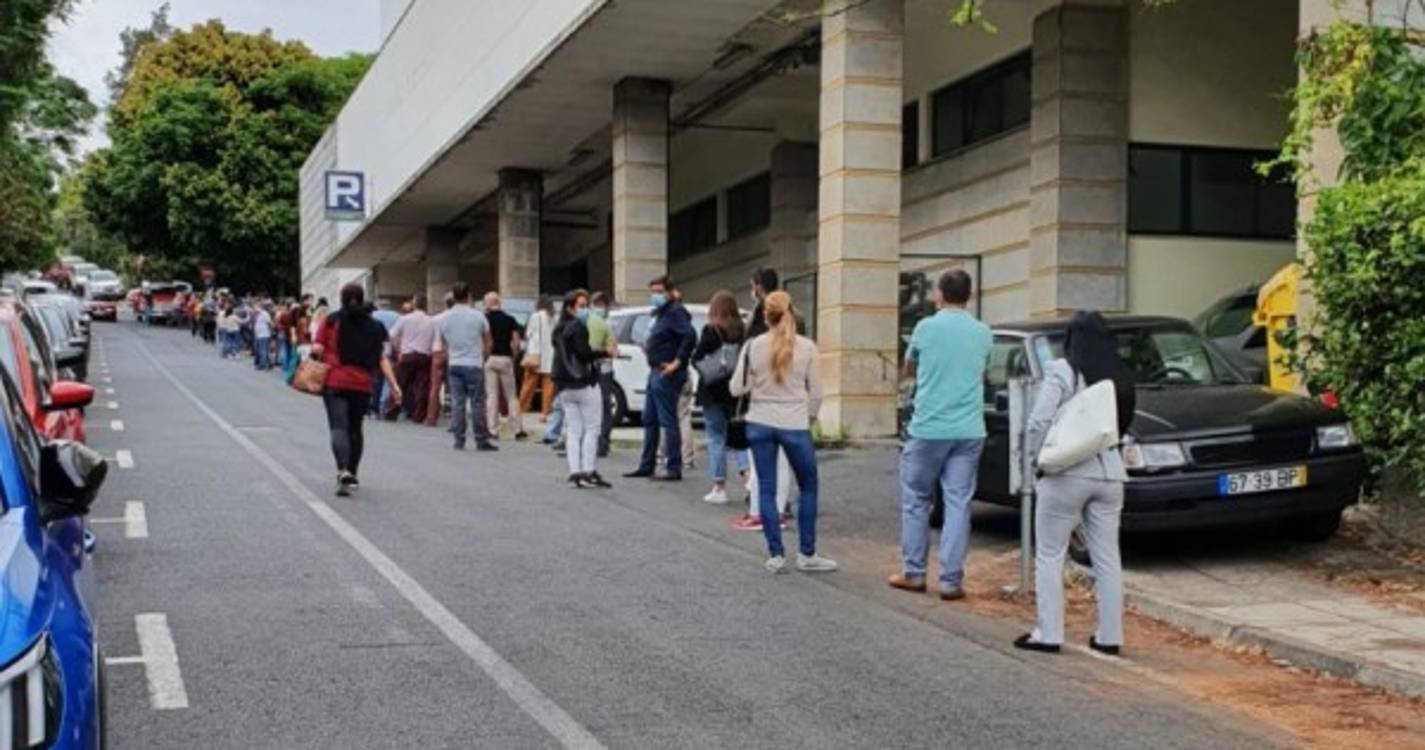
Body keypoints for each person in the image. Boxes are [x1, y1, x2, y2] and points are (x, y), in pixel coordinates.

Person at [1015, 310, 1135, 655]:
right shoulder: (1119, 373)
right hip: (1110, 471)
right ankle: (1110, 636)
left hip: (1066, 472)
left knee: (1051, 554)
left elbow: (1039, 422)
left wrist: (1038, 461)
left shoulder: (1063, 371)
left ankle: (1049, 632)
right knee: (1107, 558)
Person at [889, 269, 992, 601]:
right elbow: (984, 369)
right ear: (970, 296)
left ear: (939, 296)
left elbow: (909, 367)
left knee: (917, 500)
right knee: (958, 502)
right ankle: (951, 580)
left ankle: (914, 572)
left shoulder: (925, 328)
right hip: (969, 428)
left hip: (930, 427)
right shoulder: (982, 332)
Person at [730, 290, 836, 574]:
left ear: (765, 316)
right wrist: (809, 417)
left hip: (760, 421)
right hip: (795, 423)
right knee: (808, 486)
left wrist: (757, 383)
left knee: (766, 488)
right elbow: (816, 393)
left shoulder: (753, 346)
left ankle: (775, 554)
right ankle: (807, 553)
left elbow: (735, 388)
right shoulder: (807, 347)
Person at [312, 284, 402, 497]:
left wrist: (317, 355)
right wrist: (394, 385)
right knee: (355, 429)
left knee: (338, 427)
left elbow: (317, 347)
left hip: (335, 381)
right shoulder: (374, 326)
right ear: (361, 300)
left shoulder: (332, 321)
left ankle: (342, 470)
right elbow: (381, 358)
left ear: (342, 299)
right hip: (362, 385)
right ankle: (352, 472)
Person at [733, 267, 794, 531]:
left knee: (760, 464)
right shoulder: (801, 342)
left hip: (762, 409)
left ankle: (758, 512)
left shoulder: (754, 344)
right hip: (792, 411)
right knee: (782, 464)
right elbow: (813, 387)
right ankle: (779, 511)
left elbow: (737, 386)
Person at [625, 276, 695, 481]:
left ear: (669, 292)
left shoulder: (675, 312)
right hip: (654, 370)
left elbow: (690, 336)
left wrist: (678, 361)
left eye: (658, 291)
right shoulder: (662, 314)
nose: (654, 295)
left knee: (668, 420)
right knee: (649, 418)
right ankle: (647, 464)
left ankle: (673, 466)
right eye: (652, 291)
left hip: (666, 373)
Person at [692, 290, 748, 505]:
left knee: (716, 437)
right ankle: (748, 479)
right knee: (738, 438)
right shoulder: (741, 330)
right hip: (734, 393)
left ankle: (719, 487)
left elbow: (696, 358)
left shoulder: (711, 331)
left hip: (712, 392)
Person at [552, 289, 612, 488]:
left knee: (573, 429)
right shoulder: (578, 327)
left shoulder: (558, 329)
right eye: (581, 306)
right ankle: (588, 470)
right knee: (592, 428)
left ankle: (574, 471)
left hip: (564, 385)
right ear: (570, 308)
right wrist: (604, 353)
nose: (586, 310)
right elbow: (584, 354)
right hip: (584, 382)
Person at [435, 283, 497, 452]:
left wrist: (451, 356)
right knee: (477, 403)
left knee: (457, 403)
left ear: (453, 297)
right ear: (469, 295)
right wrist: (483, 357)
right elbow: (488, 342)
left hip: (454, 364)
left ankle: (459, 439)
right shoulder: (478, 316)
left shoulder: (443, 318)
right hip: (474, 364)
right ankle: (481, 439)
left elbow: (443, 344)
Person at [482, 292, 525, 440]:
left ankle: (492, 430)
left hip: (490, 359)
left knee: (492, 396)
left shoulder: (485, 320)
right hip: (505, 358)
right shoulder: (510, 319)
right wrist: (513, 355)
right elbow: (516, 342)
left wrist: (486, 356)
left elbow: (484, 341)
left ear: (488, 303)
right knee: (512, 396)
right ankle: (518, 429)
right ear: (499, 302)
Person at [390, 294, 437, 422]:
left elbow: (392, 335)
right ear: (426, 305)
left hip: (408, 355)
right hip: (425, 357)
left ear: (414, 305)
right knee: (423, 387)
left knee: (399, 384)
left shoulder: (405, 319)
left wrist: (398, 348)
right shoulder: (432, 321)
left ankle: (393, 410)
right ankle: (419, 415)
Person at [588, 292, 618, 457]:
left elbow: (614, 349)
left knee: (604, 405)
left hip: (604, 369)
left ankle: (603, 442)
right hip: (590, 368)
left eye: (602, 304)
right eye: (596, 304)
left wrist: (599, 352)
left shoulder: (609, 323)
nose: (599, 307)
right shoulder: (589, 322)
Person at [518, 295, 557, 421]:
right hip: (550, 357)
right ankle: (545, 413)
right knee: (548, 387)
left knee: (528, 384)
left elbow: (529, 334)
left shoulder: (535, 316)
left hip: (536, 355)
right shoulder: (554, 318)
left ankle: (521, 408)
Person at [253, 302, 275, 370]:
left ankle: (262, 364)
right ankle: (270, 363)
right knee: (265, 350)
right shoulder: (260, 314)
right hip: (261, 334)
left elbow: (269, 323)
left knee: (263, 350)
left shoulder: (264, 313)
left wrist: (272, 329)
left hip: (264, 334)